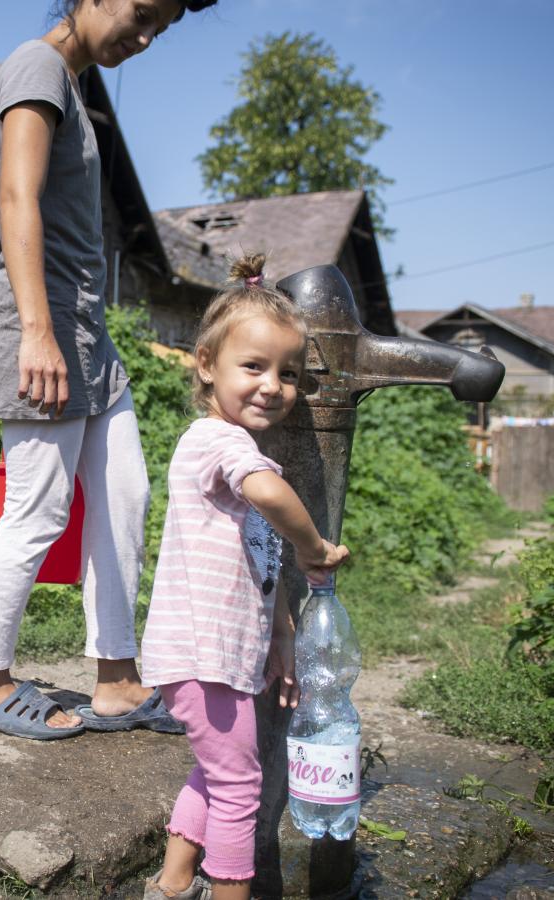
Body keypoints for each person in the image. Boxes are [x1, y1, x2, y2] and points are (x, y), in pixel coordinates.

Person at [0, 0, 217, 740]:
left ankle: (117, 679)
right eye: (142, 13)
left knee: (125, 494)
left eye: (160, 27)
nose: (145, 36)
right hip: (43, 325)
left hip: (90, 338)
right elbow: (14, 197)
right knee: (37, 508)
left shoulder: (72, 84)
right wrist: (38, 331)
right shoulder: (35, 67)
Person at [140, 256, 351, 900]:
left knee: (217, 772)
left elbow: (261, 566)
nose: (273, 386)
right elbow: (269, 496)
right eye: (253, 367)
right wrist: (315, 545)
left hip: (219, 654)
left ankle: (173, 885)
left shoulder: (234, 447)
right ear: (207, 365)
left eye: (289, 373)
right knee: (241, 786)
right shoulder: (216, 442)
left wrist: (282, 635)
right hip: (203, 654)